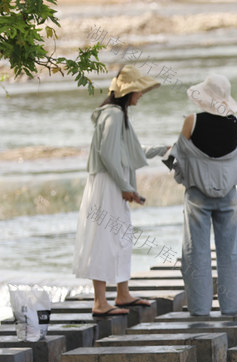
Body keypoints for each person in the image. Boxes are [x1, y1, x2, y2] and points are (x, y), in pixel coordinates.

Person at [74, 65, 167, 317]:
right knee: (105, 238)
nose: (141, 96)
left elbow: (129, 150)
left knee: (121, 236)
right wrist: (126, 187)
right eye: (139, 92)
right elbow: (107, 155)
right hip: (107, 183)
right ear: (130, 91)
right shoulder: (113, 116)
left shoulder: (117, 115)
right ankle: (100, 302)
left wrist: (163, 148)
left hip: (112, 182)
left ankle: (122, 294)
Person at [169, 74, 237, 316]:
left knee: (196, 252)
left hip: (197, 196)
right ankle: (231, 307)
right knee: (230, 252)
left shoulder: (191, 122)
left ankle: (199, 308)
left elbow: (179, 158)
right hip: (229, 196)